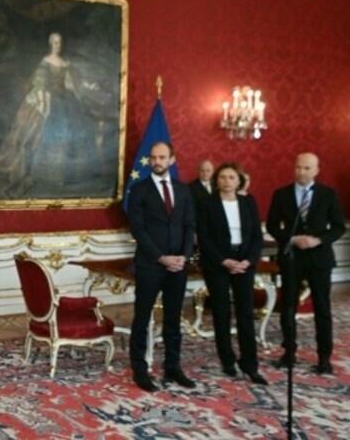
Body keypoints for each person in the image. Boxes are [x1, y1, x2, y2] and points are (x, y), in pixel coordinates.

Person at [0, 32, 99, 198]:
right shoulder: (46, 62)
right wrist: (41, 100)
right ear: (50, 44)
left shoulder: (65, 63)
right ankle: (47, 175)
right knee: (45, 131)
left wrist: (87, 87)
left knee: (73, 132)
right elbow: (40, 82)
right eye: (55, 42)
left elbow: (70, 83)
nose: (58, 45)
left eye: (60, 42)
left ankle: (67, 175)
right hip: (50, 99)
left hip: (67, 101)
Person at [266, 152, 345, 374]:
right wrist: (292, 239)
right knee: (288, 306)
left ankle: (323, 358)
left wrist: (317, 240)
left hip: (319, 258)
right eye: (299, 167)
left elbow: (339, 227)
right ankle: (289, 352)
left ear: (316, 170)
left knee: (322, 308)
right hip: (292, 257)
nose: (302, 172)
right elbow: (272, 225)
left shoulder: (328, 194)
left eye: (307, 168)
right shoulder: (281, 194)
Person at [127, 141, 196, 392]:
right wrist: (160, 258)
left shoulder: (183, 190)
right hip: (149, 265)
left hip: (178, 266)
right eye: (153, 157)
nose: (157, 161)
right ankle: (139, 369)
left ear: (172, 160)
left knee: (173, 319)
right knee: (142, 317)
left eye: (162, 157)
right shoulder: (139, 189)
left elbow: (189, 226)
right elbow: (138, 230)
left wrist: (183, 257)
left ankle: (173, 366)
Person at [196, 162, 267, 385]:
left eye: (232, 177)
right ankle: (228, 360)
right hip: (218, 263)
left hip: (244, 262)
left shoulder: (248, 202)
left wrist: (248, 260)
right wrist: (224, 260)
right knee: (221, 312)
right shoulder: (207, 203)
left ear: (239, 181)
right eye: (223, 177)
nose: (227, 181)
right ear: (217, 180)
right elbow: (203, 237)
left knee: (246, 313)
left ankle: (250, 365)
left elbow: (257, 235)